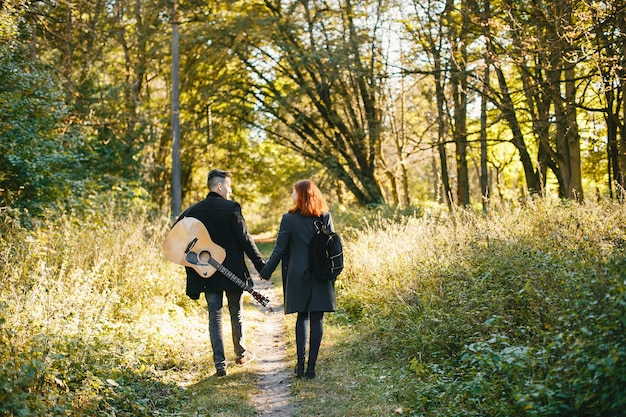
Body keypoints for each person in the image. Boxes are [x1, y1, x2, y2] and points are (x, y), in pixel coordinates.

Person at [174, 169, 266, 377]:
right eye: (229, 186)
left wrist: (193, 255)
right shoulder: (231, 208)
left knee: (214, 315)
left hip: (206, 271)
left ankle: (220, 364)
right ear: (219, 187)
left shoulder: (194, 210)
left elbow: (175, 233)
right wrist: (261, 266)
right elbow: (245, 239)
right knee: (236, 312)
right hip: (232, 269)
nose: (230, 190)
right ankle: (241, 354)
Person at [260, 180, 337, 379]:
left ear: (301, 195)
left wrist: (266, 271)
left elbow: (279, 248)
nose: (292, 195)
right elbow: (331, 246)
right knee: (317, 319)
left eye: (294, 192)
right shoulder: (324, 217)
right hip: (320, 274)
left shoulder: (289, 219)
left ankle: (300, 365)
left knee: (302, 317)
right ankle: (311, 368)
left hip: (298, 275)